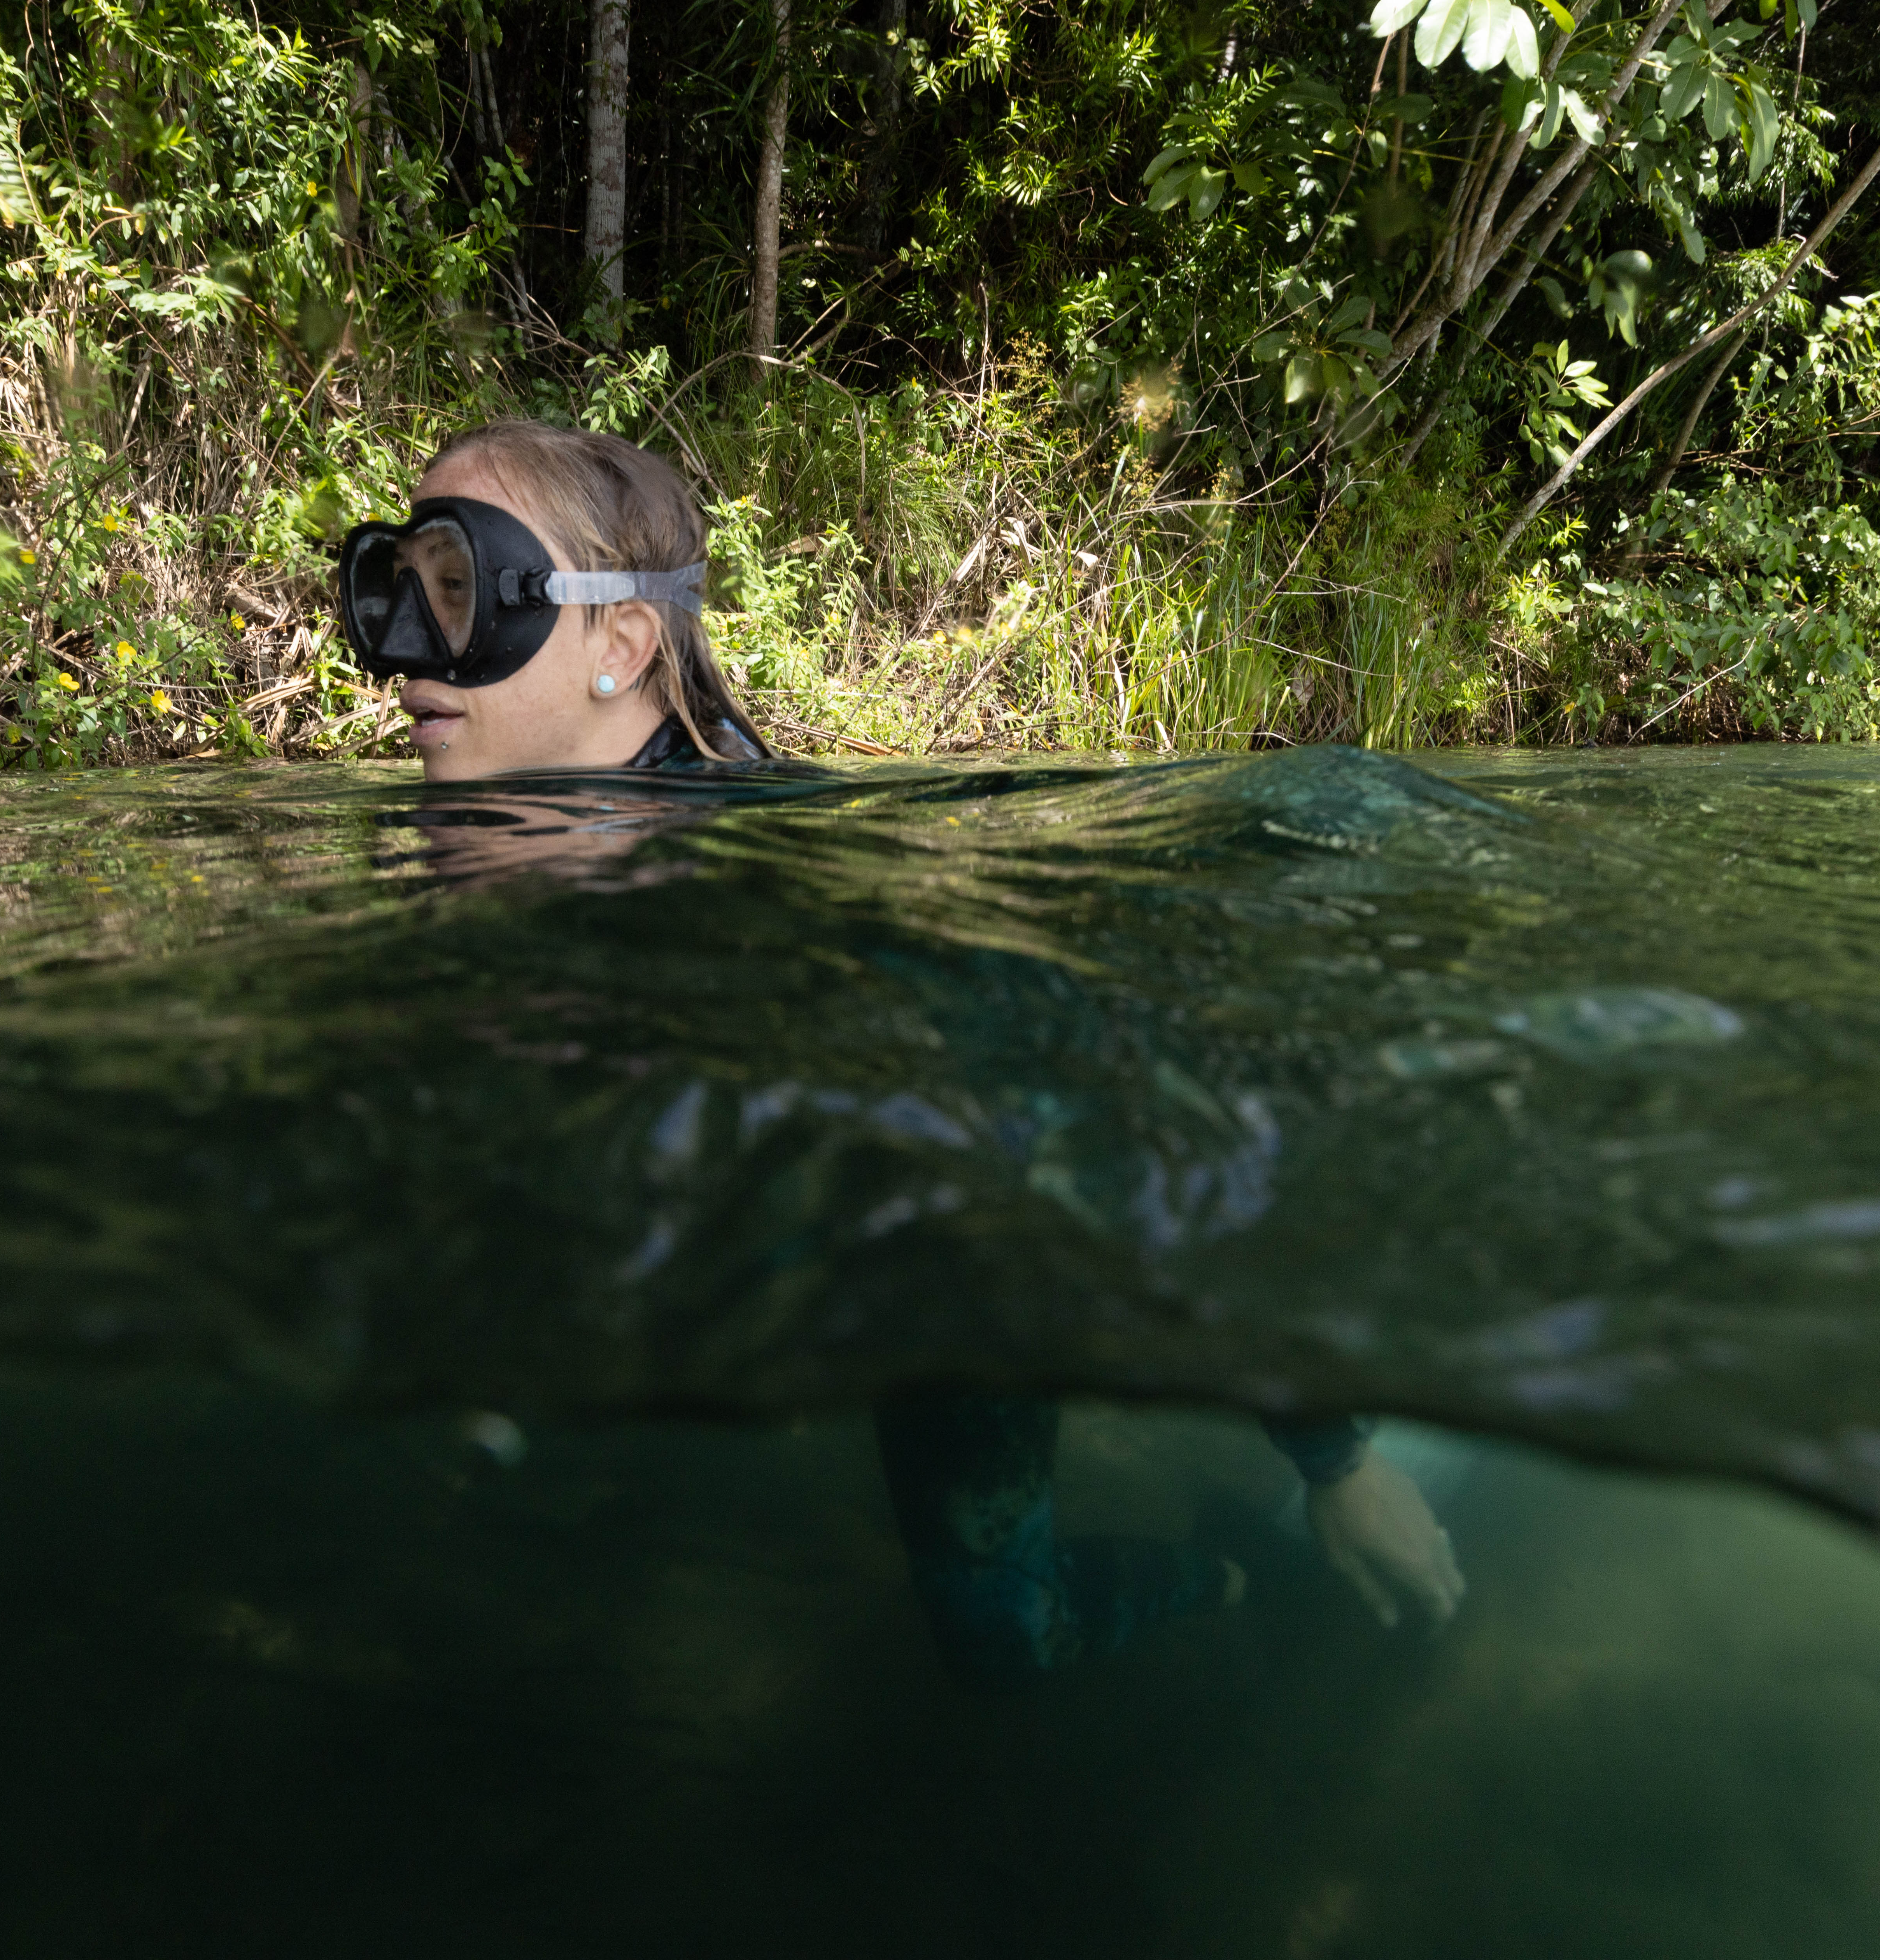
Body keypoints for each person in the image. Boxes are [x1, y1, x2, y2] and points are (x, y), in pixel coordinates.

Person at [338, 418, 1464, 1687]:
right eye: (397, 593)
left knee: (1001, 1645)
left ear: (621, 644)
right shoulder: (489, 866)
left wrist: (1336, 1460)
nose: (405, 657)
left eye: (464, 590)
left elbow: (1138, 1116)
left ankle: (1236, 1570)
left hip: (962, 1269)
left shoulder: (792, 899)